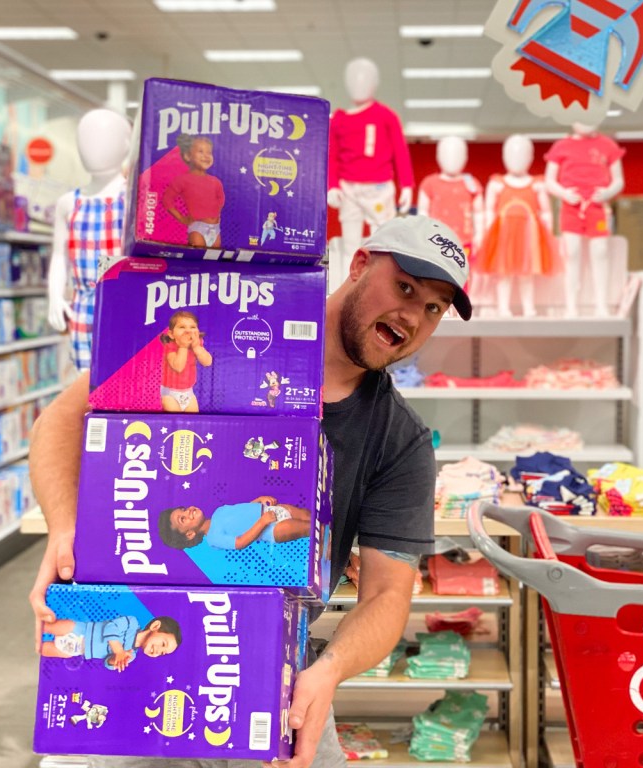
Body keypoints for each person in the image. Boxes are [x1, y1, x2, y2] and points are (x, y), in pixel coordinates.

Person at [28, 214, 472, 768]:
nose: (412, 315)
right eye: (405, 287)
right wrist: (65, 529)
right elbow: (61, 421)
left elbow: (387, 596)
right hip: (135, 636)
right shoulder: (229, 332)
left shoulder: (398, 439)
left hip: (274, 668)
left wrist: (328, 671)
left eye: (433, 308)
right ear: (359, 265)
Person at [48, 108, 132, 372]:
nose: (92, 147)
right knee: (84, 381)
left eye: (103, 138)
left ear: (126, 145)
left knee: (125, 373)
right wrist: (54, 296)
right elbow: (59, 255)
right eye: (86, 138)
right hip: (83, 302)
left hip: (126, 299)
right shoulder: (68, 202)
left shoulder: (133, 198)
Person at [326, 58, 414, 292]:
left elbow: (400, 151)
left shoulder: (386, 116)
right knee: (350, 241)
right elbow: (332, 155)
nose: (359, 83)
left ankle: (381, 287)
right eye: (353, 78)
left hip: (379, 188)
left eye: (365, 78)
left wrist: (407, 184)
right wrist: (332, 185)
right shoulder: (338, 120)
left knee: (383, 241)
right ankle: (346, 288)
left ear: (375, 83)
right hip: (349, 188)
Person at [544, 122, 625, 317]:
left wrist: (607, 192)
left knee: (601, 252)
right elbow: (549, 180)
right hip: (571, 207)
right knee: (571, 253)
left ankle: (601, 304)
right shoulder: (561, 146)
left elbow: (619, 180)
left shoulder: (608, 145)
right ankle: (571, 305)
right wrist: (563, 193)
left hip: (598, 207)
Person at [479, 134, 557, 318]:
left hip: (528, 235)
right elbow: (488, 210)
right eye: (512, 155)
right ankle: (503, 307)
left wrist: (548, 233)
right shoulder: (497, 183)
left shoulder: (538, 184)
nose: (517, 159)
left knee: (527, 274)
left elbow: (546, 211)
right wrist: (489, 233)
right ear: (504, 157)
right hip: (504, 234)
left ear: (530, 157)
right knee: (503, 273)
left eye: (522, 155)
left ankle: (528, 307)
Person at [158, 496, 311, 550]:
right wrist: (263, 522)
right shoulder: (213, 538)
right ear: (190, 534)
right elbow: (240, 542)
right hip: (272, 528)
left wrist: (257, 501)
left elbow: (241, 513)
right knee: (307, 528)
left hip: (270, 510)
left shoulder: (218, 511)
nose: (188, 511)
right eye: (183, 518)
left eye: (183, 509)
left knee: (307, 515)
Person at [40, 614, 182, 672]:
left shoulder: (130, 655)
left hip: (79, 650)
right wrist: (118, 651)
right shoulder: (131, 623)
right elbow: (110, 628)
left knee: (47, 649)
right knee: (47, 626)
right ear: (155, 626)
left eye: (163, 653)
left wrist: (115, 660)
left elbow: (107, 664)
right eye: (163, 644)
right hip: (80, 630)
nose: (158, 651)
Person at [162, 134, 225, 248]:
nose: (206, 156)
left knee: (214, 261)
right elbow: (167, 200)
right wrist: (182, 218)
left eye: (209, 152)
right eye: (200, 151)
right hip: (198, 228)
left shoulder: (216, 181)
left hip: (216, 229)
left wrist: (215, 212)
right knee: (198, 259)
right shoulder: (182, 180)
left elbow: (221, 198)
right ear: (187, 156)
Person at [159, 310, 213, 413]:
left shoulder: (197, 345)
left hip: (189, 392)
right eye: (182, 327)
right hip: (170, 393)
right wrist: (183, 346)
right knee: (175, 420)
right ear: (171, 334)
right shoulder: (170, 346)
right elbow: (178, 367)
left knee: (193, 421)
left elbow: (208, 362)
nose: (188, 331)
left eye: (192, 327)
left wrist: (197, 348)